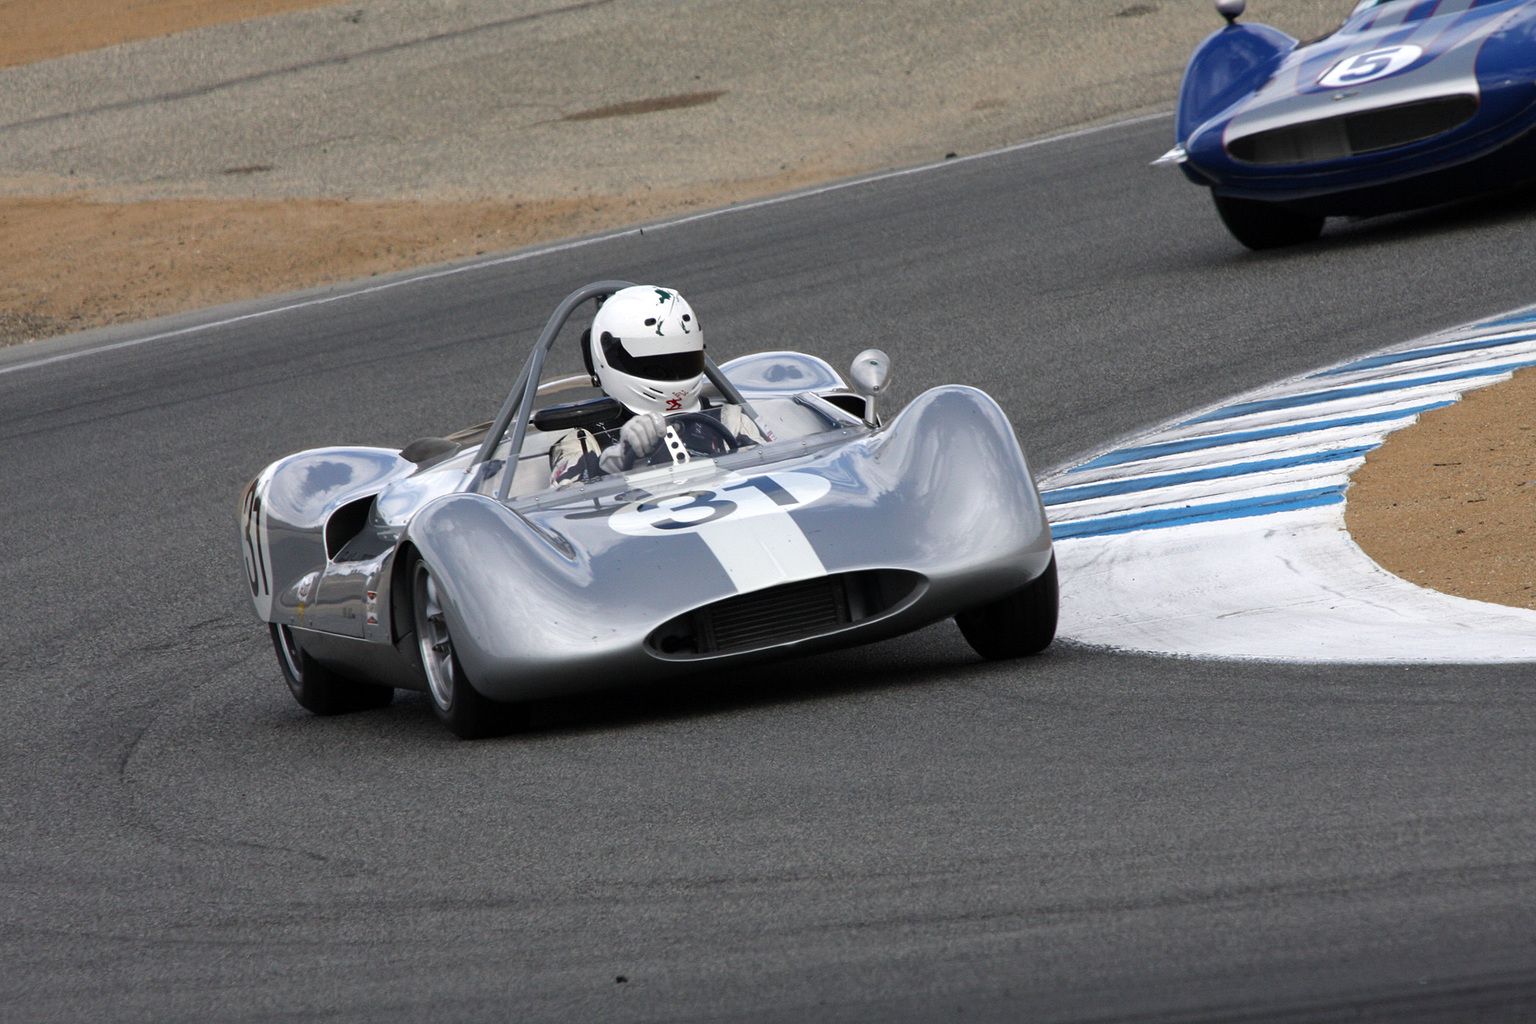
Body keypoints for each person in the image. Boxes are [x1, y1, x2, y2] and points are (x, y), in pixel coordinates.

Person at [550, 286, 766, 485]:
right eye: (653, 365)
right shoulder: (582, 442)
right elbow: (566, 507)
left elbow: (776, 474)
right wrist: (612, 465)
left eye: (682, 359)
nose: (671, 370)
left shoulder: (731, 419)